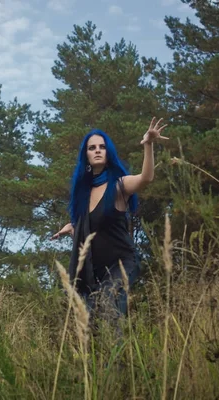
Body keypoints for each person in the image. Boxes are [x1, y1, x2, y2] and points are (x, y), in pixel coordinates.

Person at [51, 117, 168, 324]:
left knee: (107, 303)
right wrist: (72, 227)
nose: (97, 150)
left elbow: (146, 178)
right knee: (92, 316)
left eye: (102, 147)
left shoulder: (118, 186)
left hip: (123, 262)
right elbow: (90, 222)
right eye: (92, 147)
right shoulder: (83, 195)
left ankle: (117, 356)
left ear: (108, 153)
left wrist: (148, 144)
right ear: (85, 156)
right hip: (98, 270)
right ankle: (105, 354)